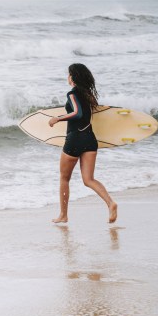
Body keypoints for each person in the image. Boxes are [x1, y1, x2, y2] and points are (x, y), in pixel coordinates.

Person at [48, 63, 118, 224]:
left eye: (68, 74)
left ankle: (63, 215)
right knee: (89, 180)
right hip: (90, 139)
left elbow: (77, 113)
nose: (67, 76)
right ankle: (110, 203)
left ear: (72, 77)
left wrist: (57, 118)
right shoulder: (88, 95)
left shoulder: (72, 94)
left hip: (74, 139)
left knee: (64, 178)